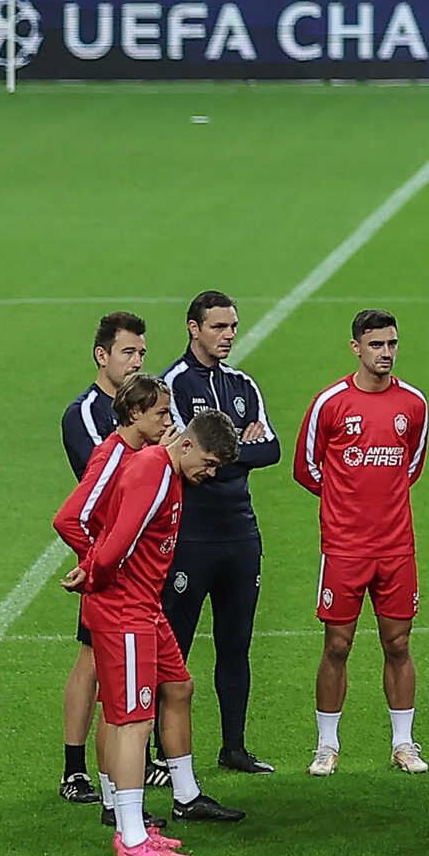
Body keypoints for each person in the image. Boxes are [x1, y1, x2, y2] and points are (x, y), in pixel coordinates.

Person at [56, 409, 245, 856]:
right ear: (187, 445)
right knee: (132, 721)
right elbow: (121, 537)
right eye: (210, 462)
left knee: (178, 685)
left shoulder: (165, 470)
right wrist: (95, 571)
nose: (211, 472)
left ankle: (174, 801)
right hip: (125, 609)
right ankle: (132, 836)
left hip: (146, 607)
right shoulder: (156, 472)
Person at [294, 309, 429, 777]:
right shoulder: (330, 403)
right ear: (357, 348)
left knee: (399, 643)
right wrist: (344, 504)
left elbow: (411, 466)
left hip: (396, 546)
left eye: (392, 344)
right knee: (337, 645)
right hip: (344, 548)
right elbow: (307, 469)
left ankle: (403, 743)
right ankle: (326, 745)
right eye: (376, 345)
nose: (386, 353)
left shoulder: (413, 404)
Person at [159, 290, 279, 774]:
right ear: (193, 327)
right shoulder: (173, 384)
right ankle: (161, 754)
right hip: (190, 536)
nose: (228, 335)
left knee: (237, 642)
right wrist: (236, 449)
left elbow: (270, 449)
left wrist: (221, 455)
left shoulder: (243, 385)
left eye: (232, 326)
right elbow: (185, 457)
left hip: (240, 535)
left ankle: (234, 747)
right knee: (175, 646)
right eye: (218, 327)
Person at [53, 372, 179, 827]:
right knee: (120, 704)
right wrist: (99, 562)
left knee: (116, 698)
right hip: (114, 596)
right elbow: (70, 518)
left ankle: (113, 802)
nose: (170, 420)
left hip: (120, 590)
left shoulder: (136, 454)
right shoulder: (112, 456)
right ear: (134, 414)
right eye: (162, 412)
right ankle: (117, 807)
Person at [56, 310, 148, 804]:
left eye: (140, 353)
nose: (135, 361)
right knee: (93, 659)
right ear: (102, 355)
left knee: (131, 660)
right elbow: (108, 480)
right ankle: (76, 771)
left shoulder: (140, 408)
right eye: (127, 352)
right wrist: (97, 561)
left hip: (136, 556)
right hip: (105, 555)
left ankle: (131, 761)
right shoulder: (87, 414)